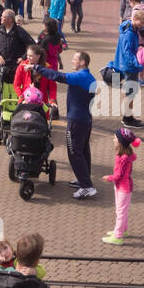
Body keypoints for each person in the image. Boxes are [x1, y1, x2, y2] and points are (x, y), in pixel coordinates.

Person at [32, 50, 97, 198]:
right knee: (83, 150)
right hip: (85, 120)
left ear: (82, 62)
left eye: (75, 59)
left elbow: (58, 76)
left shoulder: (80, 76)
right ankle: (84, 179)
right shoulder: (88, 76)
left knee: (74, 152)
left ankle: (87, 186)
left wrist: (37, 67)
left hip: (76, 121)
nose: (72, 61)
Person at [102, 127, 140, 245]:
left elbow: (118, 175)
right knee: (121, 210)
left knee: (121, 211)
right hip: (121, 187)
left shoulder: (123, 158)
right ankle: (122, 230)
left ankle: (118, 236)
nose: (113, 138)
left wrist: (109, 178)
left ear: (121, 142)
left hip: (123, 187)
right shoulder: (124, 155)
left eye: (115, 137)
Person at [111, 8, 144, 129]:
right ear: (135, 19)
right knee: (131, 93)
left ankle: (128, 116)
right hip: (130, 67)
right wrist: (139, 66)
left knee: (131, 92)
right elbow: (128, 53)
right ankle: (127, 118)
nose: (142, 26)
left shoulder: (128, 27)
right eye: (141, 23)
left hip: (127, 65)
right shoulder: (129, 33)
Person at [0, 8, 35, 98]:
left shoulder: (19, 31)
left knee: (16, 90)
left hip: (16, 67)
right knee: (1, 89)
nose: (0, 18)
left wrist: (24, 58)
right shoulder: (0, 30)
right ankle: (2, 108)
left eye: (3, 17)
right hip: (3, 67)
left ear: (9, 19)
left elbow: (32, 44)